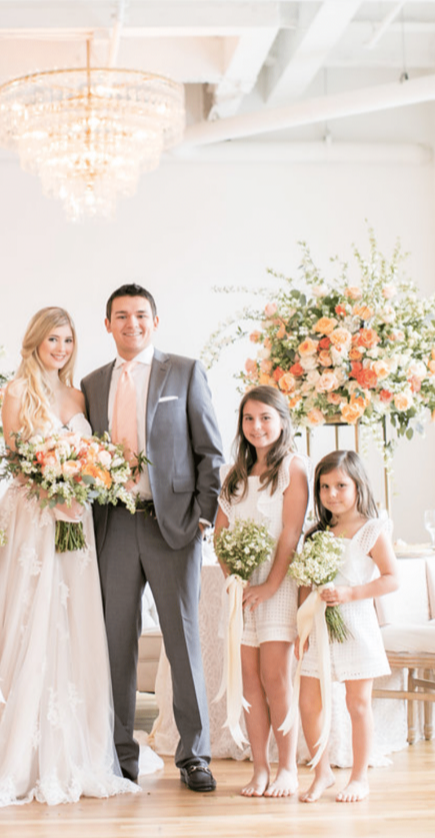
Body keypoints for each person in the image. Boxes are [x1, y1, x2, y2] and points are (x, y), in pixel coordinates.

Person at [0, 307, 140, 806]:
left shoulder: (78, 395)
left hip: (74, 522)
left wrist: (82, 483)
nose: (60, 348)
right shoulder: (17, 392)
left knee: (72, 624)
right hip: (33, 517)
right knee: (27, 622)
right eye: (52, 339)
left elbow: (95, 453)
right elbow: (15, 457)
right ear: (34, 342)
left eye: (67, 340)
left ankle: (74, 747)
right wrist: (54, 488)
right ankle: (14, 749)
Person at [81, 284, 224, 792]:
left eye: (140, 315)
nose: (131, 324)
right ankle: (121, 756)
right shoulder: (92, 383)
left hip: (174, 528)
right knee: (114, 644)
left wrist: (204, 516)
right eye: (121, 316)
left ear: (155, 321)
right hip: (113, 525)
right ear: (107, 325)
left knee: (182, 641)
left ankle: (194, 755)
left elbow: (211, 450)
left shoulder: (183, 371)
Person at [214, 385, 309, 798]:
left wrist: (270, 585)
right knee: (248, 680)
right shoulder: (232, 476)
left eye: (266, 418)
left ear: (283, 421)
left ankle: (287, 767)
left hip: (278, 584)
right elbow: (220, 533)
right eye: (249, 419)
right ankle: (260, 769)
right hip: (243, 590)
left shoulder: (293, 468)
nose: (257, 427)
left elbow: (290, 532)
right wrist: (234, 579)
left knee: (275, 677)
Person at [298, 450, 398, 804]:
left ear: (358, 485)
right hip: (320, 628)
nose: (332, 494)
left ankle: (358, 778)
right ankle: (321, 770)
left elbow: (391, 579)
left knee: (358, 703)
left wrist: (351, 592)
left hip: (356, 625)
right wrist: (302, 629)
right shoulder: (317, 533)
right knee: (308, 702)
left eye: (341, 485)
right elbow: (305, 584)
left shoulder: (372, 530)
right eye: (324, 487)